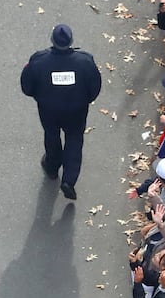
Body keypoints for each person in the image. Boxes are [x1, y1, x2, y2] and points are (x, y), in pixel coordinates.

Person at [19, 24, 102, 200]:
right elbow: (95, 87)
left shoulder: (39, 61)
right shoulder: (85, 61)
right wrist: (84, 100)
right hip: (76, 110)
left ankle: (52, 167)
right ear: (71, 41)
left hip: (49, 110)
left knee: (51, 135)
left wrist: (39, 96)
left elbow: (27, 86)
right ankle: (69, 179)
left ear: (52, 41)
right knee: (74, 139)